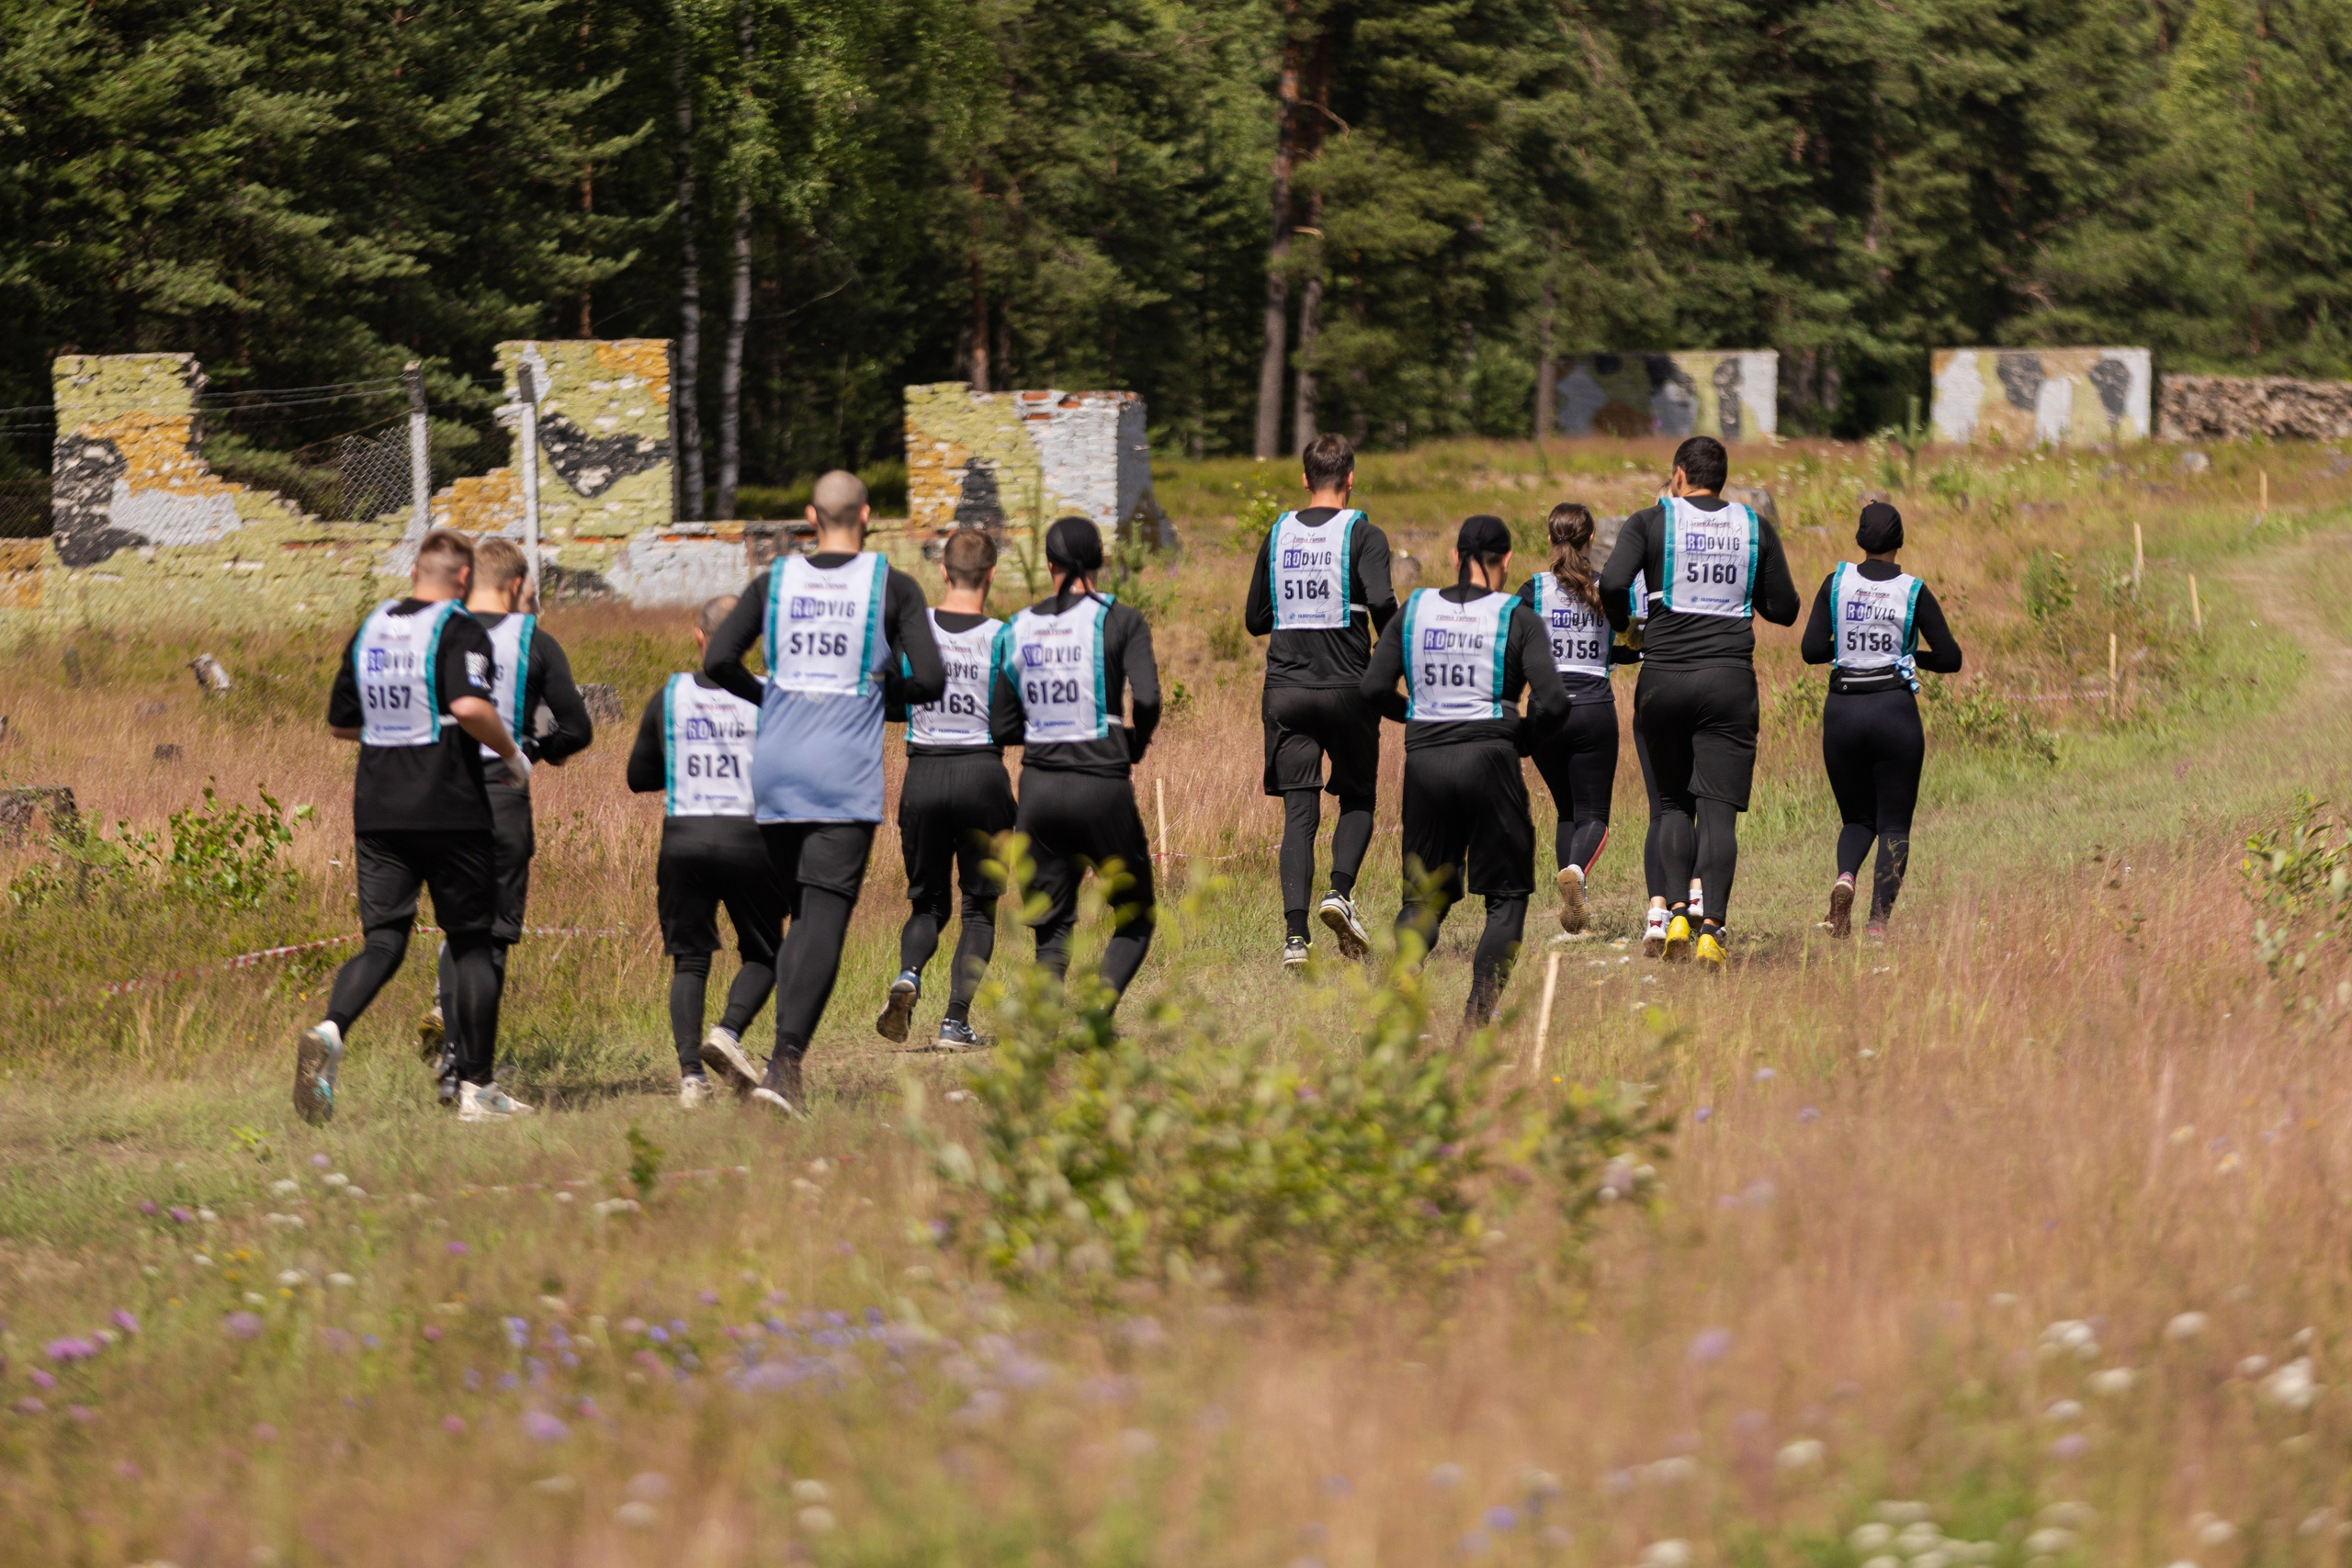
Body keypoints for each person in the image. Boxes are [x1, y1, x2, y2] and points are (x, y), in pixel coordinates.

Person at [702, 471, 944, 1115]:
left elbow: (717, 660)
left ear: (812, 515)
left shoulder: (773, 581)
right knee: (823, 920)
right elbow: (932, 680)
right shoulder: (892, 586)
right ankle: (784, 1067)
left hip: (777, 772)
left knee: (796, 917)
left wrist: (772, 697)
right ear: (866, 515)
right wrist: (875, 697)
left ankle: (763, 1053)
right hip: (842, 775)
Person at [299, 528, 535, 1124]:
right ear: (462, 580)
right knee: (473, 942)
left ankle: (331, 1028)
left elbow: (342, 724)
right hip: (450, 810)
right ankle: (478, 1092)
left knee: (383, 942)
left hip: (377, 810)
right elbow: (470, 707)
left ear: (413, 574)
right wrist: (512, 755)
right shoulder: (461, 627)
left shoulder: (372, 625)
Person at [1362, 514, 1570, 1025]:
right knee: (1506, 897)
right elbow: (1556, 702)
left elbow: (1370, 689)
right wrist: (1523, 737)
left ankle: (1404, 978)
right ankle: (1478, 1018)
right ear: (1505, 563)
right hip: (1491, 760)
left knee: (1425, 897)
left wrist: (1417, 712)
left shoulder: (1415, 609)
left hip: (1426, 762)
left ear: (1454, 559)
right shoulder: (1517, 616)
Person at [1600, 435, 1798, 966]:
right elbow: (1784, 608)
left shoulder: (1651, 520)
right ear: (1722, 479)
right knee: (1717, 814)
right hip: (1728, 682)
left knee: (1670, 806)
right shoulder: (1753, 527)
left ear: (1680, 477)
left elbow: (1613, 582)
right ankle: (1713, 928)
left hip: (1663, 679)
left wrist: (1627, 625)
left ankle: (1677, 918)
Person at [417, 536, 594, 1101]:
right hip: (499, 793)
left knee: (456, 931)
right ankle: (477, 1079)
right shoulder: (534, 641)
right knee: (490, 943)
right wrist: (534, 751)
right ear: (517, 586)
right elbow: (577, 729)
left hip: (436, 796)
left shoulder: (439, 633)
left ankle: (451, 1064)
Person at [989, 515, 1161, 1006]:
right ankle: (1096, 1015)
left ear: (1049, 565)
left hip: (1039, 790)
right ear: (1102, 560)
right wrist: (1134, 744)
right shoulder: (1121, 619)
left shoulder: (1017, 628)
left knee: (1052, 926)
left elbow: (1000, 726)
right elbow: (1147, 699)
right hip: (1102, 785)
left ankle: (1041, 1041)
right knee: (1135, 913)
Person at [1242, 432, 1396, 967]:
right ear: (1350, 479)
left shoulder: (1279, 532)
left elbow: (1254, 619)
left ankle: (1294, 940)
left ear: (1305, 480)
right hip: (1349, 690)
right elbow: (1380, 601)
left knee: (1298, 814)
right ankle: (1340, 892)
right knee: (1356, 797)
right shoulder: (1364, 534)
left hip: (1286, 691)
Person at [625, 594, 784, 1106]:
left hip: (684, 837)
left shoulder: (668, 695)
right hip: (748, 837)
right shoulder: (768, 695)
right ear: (750, 640)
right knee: (766, 952)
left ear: (699, 636)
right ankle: (729, 1030)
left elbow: (637, 777)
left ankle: (691, 1076)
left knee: (690, 961)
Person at [877, 528, 1015, 1050]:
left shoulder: (917, 630)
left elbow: (889, 698)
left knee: (928, 905)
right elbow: (1012, 717)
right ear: (992, 574)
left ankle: (909, 975)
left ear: (942, 571)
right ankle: (954, 1022)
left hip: (925, 776)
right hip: (983, 775)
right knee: (979, 906)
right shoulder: (1003, 636)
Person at [1800, 501, 1964, 938]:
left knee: (1856, 818)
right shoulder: (1913, 590)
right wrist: (1907, 656)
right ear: (1899, 542)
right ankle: (1877, 924)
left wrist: (1851, 647)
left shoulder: (1836, 583)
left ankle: (1845, 877)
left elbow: (1812, 650)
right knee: (1894, 823)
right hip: (1893, 711)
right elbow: (1951, 658)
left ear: (1859, 540)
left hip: (1843, 711)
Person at [1516, 503, 1622, 939]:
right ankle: (1576, 873)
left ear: (1549, 540)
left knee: (1566, 810)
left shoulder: (1532, 588)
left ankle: (1574, 914)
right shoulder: (1608, 588)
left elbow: (1513, 647)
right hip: (1593, 707)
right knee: (1594, 813)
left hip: (1544, 712)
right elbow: (1631, 643)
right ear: (1591, 539)